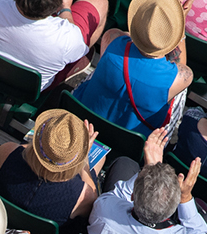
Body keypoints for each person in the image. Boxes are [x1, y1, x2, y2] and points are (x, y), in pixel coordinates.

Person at [74, 0, 193, 136]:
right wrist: (180, 27)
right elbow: (182, 67)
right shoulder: (179, 77)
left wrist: (145, 35)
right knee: (180, 92)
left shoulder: (112, 39)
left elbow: (124, 36)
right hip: (126, 144)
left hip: (83, 119)